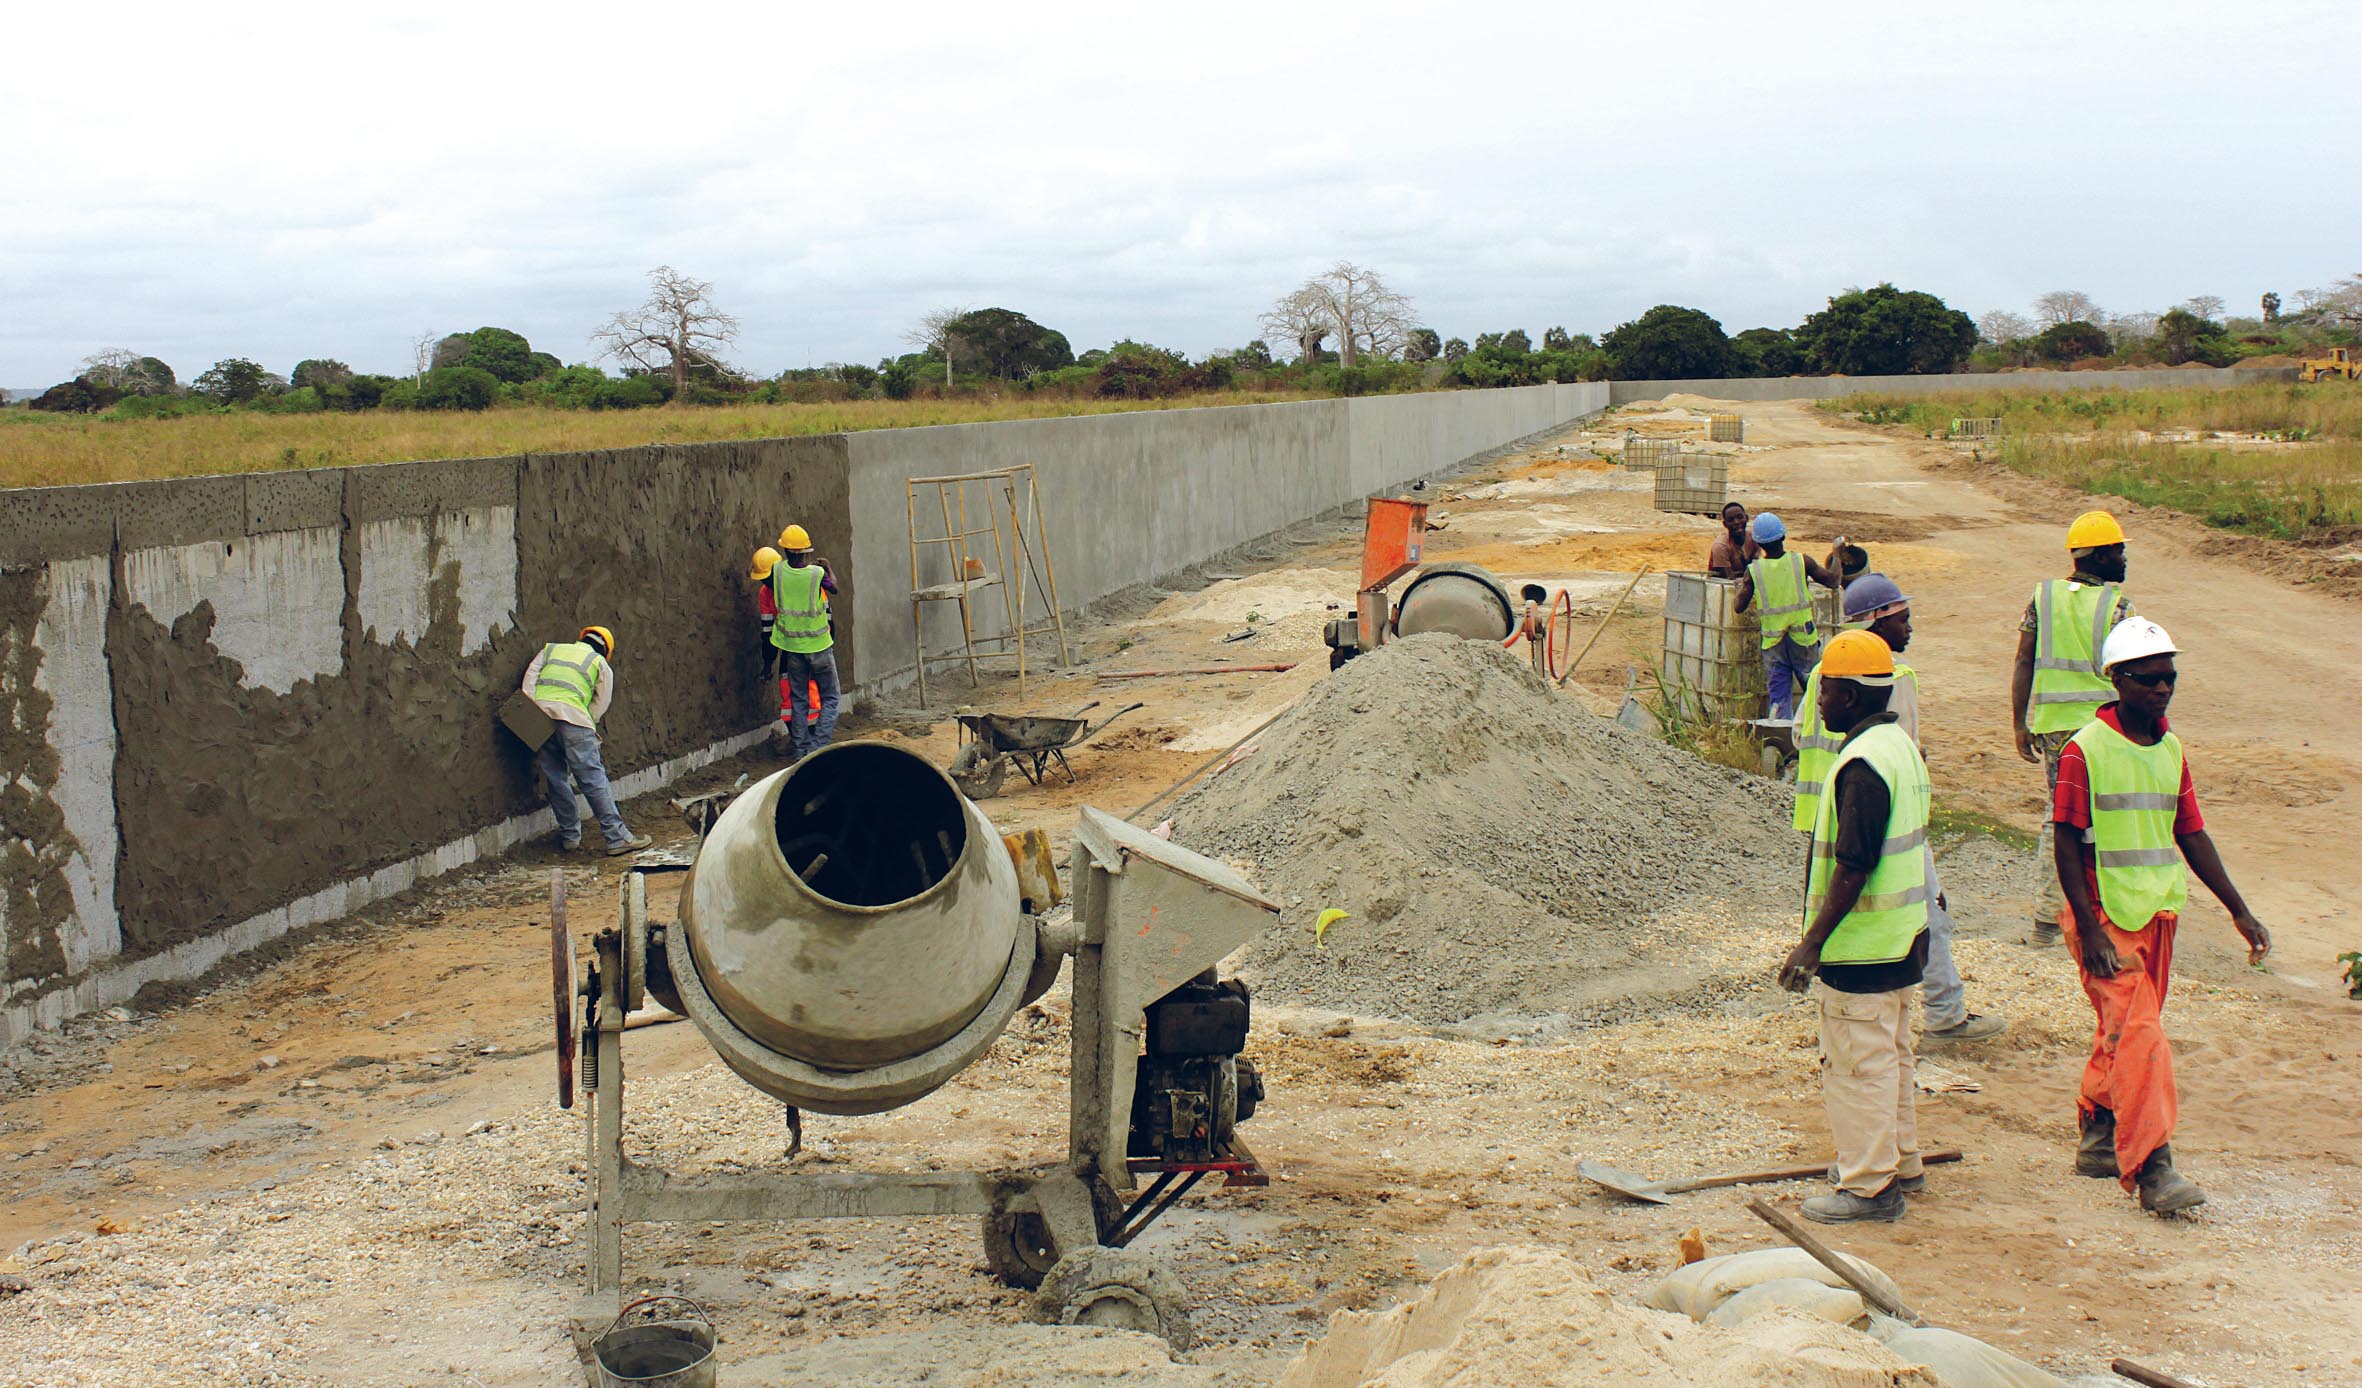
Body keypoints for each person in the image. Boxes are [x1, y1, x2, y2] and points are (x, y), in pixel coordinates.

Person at [2052, 617, 2269, 1215]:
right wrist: (2089, 927)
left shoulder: (2171, 748)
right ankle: (2153, 1166)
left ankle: (2098, 1134)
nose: (2162, 689)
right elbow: (2066, 842)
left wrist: (2240, 911)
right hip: (2103, 915)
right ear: (2118, 680)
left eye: (2169, 678)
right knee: (2143, 1033)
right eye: (2149, 679)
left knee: (2123, 1033)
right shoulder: (2083, 750)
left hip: (2156, 909)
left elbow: (2190, 831)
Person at [1791, 574, 2004, 1045]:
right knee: (1926, 912)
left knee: (1839, 912)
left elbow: (1797, 739)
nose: (1909, 629)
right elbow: (1902, 757)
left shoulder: (1823, 674)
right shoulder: (1896, 680)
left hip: (1825, 820)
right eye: (1901, 619)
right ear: (1875, 622)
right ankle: (1945, 1014)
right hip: (1884, 821)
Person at [1778, 630, 1934, 1224]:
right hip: (1901, 938)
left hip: (1864, 947)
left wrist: (1811, 944)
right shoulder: (1900, 747)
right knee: (1891, 1056)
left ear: (1850, 693)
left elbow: (1856, 864)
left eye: (1825, 689)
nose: (1818, 701)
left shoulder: (1863, 764)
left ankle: (1870, 1186)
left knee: (1856, 1066)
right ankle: (1903, 1163)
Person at [2011, 510, 2138, 945]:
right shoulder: (2117, 606)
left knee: (2058, 817)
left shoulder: (2042, 597)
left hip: (2053, 730)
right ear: (2099, 556)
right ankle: (2099, 915)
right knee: (2103, 819)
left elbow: (2023, 659)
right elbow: (2131, 673)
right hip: (2103, 730)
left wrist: (2019, 724)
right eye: (2118, 550)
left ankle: (2048, 920)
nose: (2123, 559)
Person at [522, 625, 653, 856]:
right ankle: (616, 837)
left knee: (555, 779)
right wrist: (585, 721)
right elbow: (601, 702)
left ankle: (570, 836)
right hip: (574, 719)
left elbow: (528, 683)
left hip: (540, 717)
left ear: (582, 638)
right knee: (592, 779)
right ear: (606, 650)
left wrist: (535, 715)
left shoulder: (550, 650)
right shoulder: (599, 663)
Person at [1735, 512, 1843, 719]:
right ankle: (1820, 730)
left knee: (1779, 697)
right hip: (1802, 638)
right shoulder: (1801, 562)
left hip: (1773, 642)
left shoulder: (1754, 571)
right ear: (1783, 536)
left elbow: (1739, 607)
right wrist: (1837, 555)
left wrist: (1742, 585)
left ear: (1758, 543)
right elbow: (1833, 581)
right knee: (1814, 689)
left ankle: (1780, 738)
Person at [770, 523, 841, 760]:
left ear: (786, 551)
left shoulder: (777, 570)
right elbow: (835, 588)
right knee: (831, 698)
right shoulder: (817, 574)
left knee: (799, 700)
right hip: (819, 646)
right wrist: (827, 566)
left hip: (792, 648)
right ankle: (817, 749)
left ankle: (800, 751)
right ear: (806, 552)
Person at [1707, 502, 1761, 578]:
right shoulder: (1721, 546)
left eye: (1740, 517)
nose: (1736, 522)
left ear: (1746, 518)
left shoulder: (1754, 538)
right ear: (1725, 524)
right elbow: (1728, 577)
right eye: (1730, 520)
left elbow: (1759, 565)